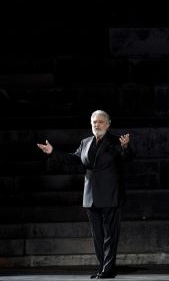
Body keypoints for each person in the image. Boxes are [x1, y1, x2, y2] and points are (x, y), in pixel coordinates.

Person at [37, 110, 135, 279]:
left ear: (108, 124)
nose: (97, 125)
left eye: (100, 122)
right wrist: (53, 152)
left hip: (111, 195)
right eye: (94, 122)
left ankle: (107, 270)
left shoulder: (116, 141)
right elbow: (73, 159)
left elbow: (128, 159)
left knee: (110, 236)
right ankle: (102, 268)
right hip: (90, 197)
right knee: (97, 236)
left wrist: (126, 147)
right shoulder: (85, 142)